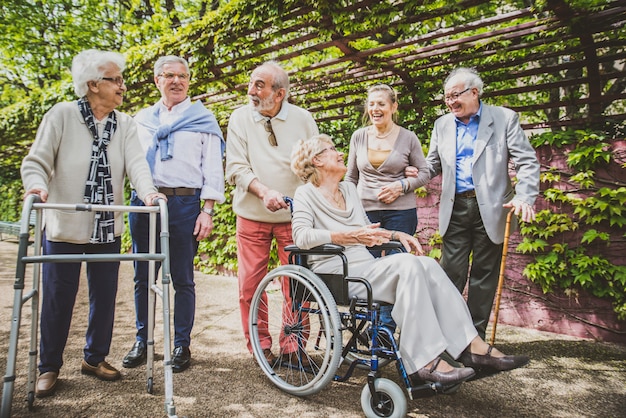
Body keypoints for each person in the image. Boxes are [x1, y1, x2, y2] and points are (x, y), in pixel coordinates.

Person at [290, 134, 530, 386]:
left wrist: (396, 234)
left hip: (366, 268)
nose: (340, 153)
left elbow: (366, 231)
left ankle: (472, 347)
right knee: (407, 265)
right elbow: (301, 236)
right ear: (317, 160)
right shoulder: (306, 194)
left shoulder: (349, 189)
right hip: (338, 272)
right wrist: (345, 236)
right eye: (332, 149)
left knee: (425, 263)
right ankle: (422, 362)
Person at [20, 49, 164, 398]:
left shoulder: (126, 124)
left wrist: (149, 194)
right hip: (64, 225)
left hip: (105, 228)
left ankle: (94, 358)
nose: (122, 87)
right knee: (58, 297)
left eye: (121, 80)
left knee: (105, 296)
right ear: (92, 84)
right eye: (115, 80)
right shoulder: (62, 116)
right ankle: (49, 366)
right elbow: (36, 161)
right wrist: (36, 186)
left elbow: (137, 166)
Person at [122, 56, 225, 373]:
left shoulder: (203, 120)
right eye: (169, 75)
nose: (177, 81)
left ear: (189, 81)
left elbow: (212, 169)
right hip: (144, 203)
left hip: (184, 205)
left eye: (183, 76)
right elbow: (129, 163)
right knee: (143, 275)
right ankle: (143, 340)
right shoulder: (141, 120)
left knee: (183, 278)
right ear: (158, 80)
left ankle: (182, 344)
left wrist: (207, 210)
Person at [423, 67, 540, 339]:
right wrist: (411, 176)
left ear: (474, 92)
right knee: (451, 273)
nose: (450, 101)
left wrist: (525, 196)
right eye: (446, 97)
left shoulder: (504, 118)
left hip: (492, 208)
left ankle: (474, 339)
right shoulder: (442, 125)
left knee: (484, 277)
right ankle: (448, 336)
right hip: (455, 207)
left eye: (455, 95)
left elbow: (526, 161)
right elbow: (432, 164)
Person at [225, 61, 319, 363]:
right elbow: (236, 167)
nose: (251, 91)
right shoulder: (239, 119)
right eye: (252, 83)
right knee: (250, 284)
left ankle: (293, 347)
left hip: (295, 217)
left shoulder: (304, 120)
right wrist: (264, 192)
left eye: (259, 85)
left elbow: (314, 164)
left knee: (297, 284)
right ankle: (259, 344)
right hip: (252, 215)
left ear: (279, 94)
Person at [345, 83, 430, 332]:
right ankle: (365, 327)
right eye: (371, 104)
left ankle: (383, 331)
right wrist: (347, 207)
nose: (375, 109)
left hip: (401, 214)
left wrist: (402, 186)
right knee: (366, 269)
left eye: (381, 103)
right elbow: (350, 178)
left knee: (395, 269)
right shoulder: (358, 136)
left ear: (393, 107)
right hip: (365, 213)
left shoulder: (408, 137)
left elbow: (424, 173)